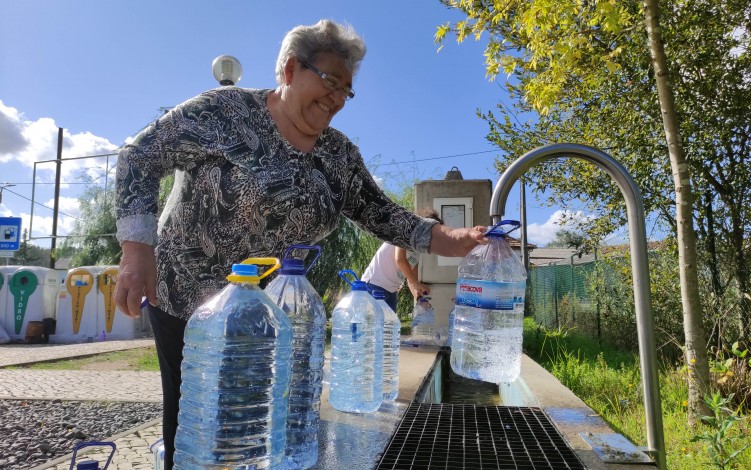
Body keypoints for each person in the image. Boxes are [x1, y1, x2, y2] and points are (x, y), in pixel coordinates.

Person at [113, 19, 486, 469]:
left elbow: (383, 214)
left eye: (346, 91)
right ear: (290, 69)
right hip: (189, 298)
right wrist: (137, 251)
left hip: (266, 309)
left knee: (260, 430)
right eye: (330, 81)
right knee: (196, 426)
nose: (336, 99)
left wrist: (454, 239)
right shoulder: (224, 113)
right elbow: (139, 156)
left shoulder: (338, 155)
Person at [361, 208, 442, 311]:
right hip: (374, 285)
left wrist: (420, 299)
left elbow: (411, 280)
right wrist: (417, 284)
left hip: (391, 291)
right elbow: (399, 259)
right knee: (373, 325)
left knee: (389, 326)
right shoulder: (404, 234)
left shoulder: (417, 251)